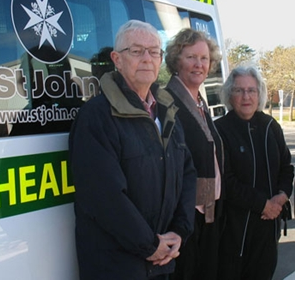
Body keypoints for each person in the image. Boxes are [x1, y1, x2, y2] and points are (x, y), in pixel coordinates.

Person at [69, 20, 196, 280]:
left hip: (162, 263)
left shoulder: (167, 111)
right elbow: (104, 197)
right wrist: (150, 245)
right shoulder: (97, 116)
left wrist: (179, 232)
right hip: (117, 265)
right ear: (117, 59)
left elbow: (187, 173)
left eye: (154, 51)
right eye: (136, 51)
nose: (147, 59)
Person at [215, 66, 294, 280]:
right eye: (239, 90)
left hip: (269, 229)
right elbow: (226, 181)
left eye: (251, 90)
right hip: (234, 233)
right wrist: (263, 205)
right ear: (230, 95)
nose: (246, 96)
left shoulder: (271, 126)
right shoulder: (220, 130)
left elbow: (287, 167)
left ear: (259, 94)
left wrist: (282, 196)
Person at [164, 28, 225, 279]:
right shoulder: (166, 100)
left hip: (206, 210)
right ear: (177, 60)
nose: (199, 64)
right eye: (191, 57)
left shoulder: (199, 101)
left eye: (204, 58)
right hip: (184, 216)